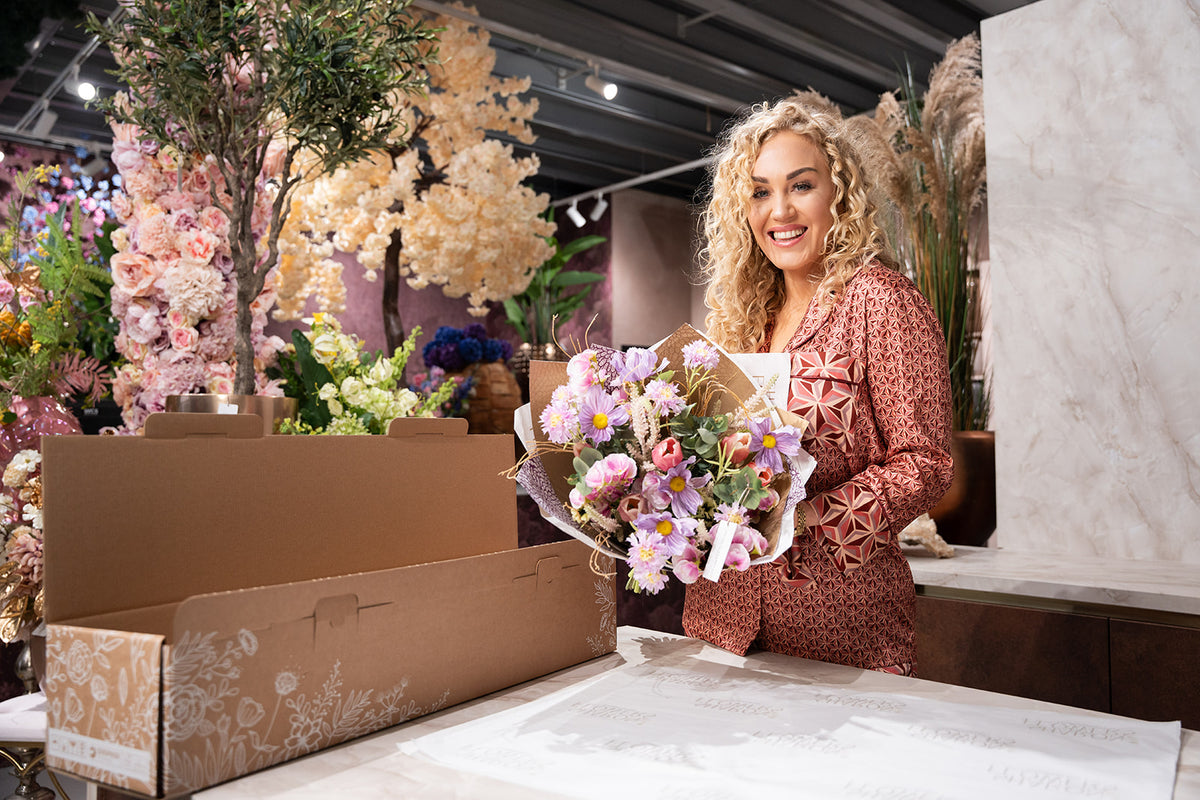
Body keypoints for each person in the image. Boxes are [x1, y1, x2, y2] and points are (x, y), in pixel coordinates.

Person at [682, 92, 954, 675]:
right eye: (760, 191)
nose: (779, 210)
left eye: (800, 186)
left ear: (839, 193)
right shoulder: (741, 316)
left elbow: (926, 461)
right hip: (722, 620)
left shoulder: (880, 302)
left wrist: (806, 519)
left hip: (838, 627)